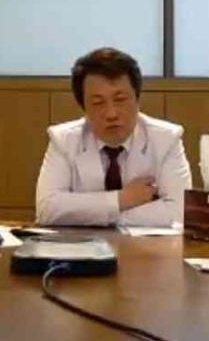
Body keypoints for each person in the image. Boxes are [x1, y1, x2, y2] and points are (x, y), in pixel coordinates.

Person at [36, 47, 191, 226]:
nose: (111, 113)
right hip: (81, 250)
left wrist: (100, 217)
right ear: (83, 107)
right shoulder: (63, 140)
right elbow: (47, 209)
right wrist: (121, 199)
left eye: (120, 100)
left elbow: (178, 212)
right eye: (98, 103)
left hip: (146, 251)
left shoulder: (166, 139)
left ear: (137, 99)